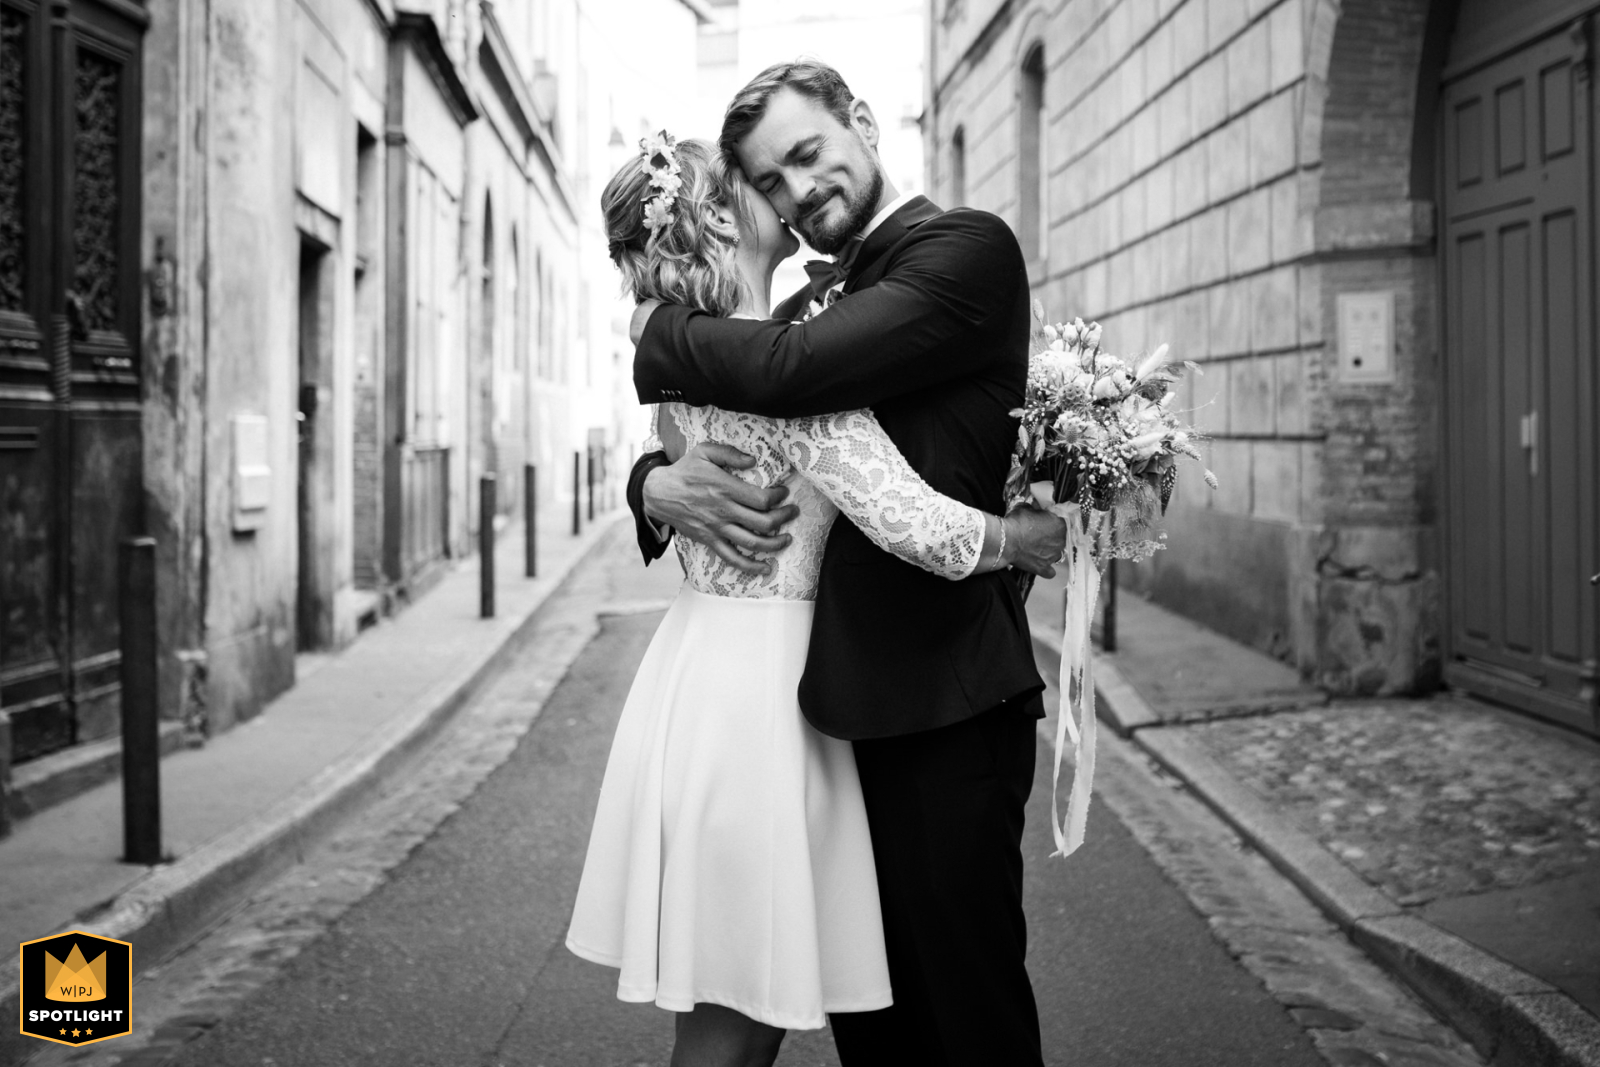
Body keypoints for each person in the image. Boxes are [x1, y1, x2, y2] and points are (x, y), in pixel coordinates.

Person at [567, 135, 1066, 1067]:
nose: (786, 196)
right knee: (741, 1011)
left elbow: (686, 428)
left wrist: (652, 431)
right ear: (719, 215)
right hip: (767, 709)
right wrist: (1020, 540)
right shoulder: (791, 362)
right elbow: (907, 519)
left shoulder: (697, 372)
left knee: (737, 1005)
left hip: (702, 687)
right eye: (760, 183)